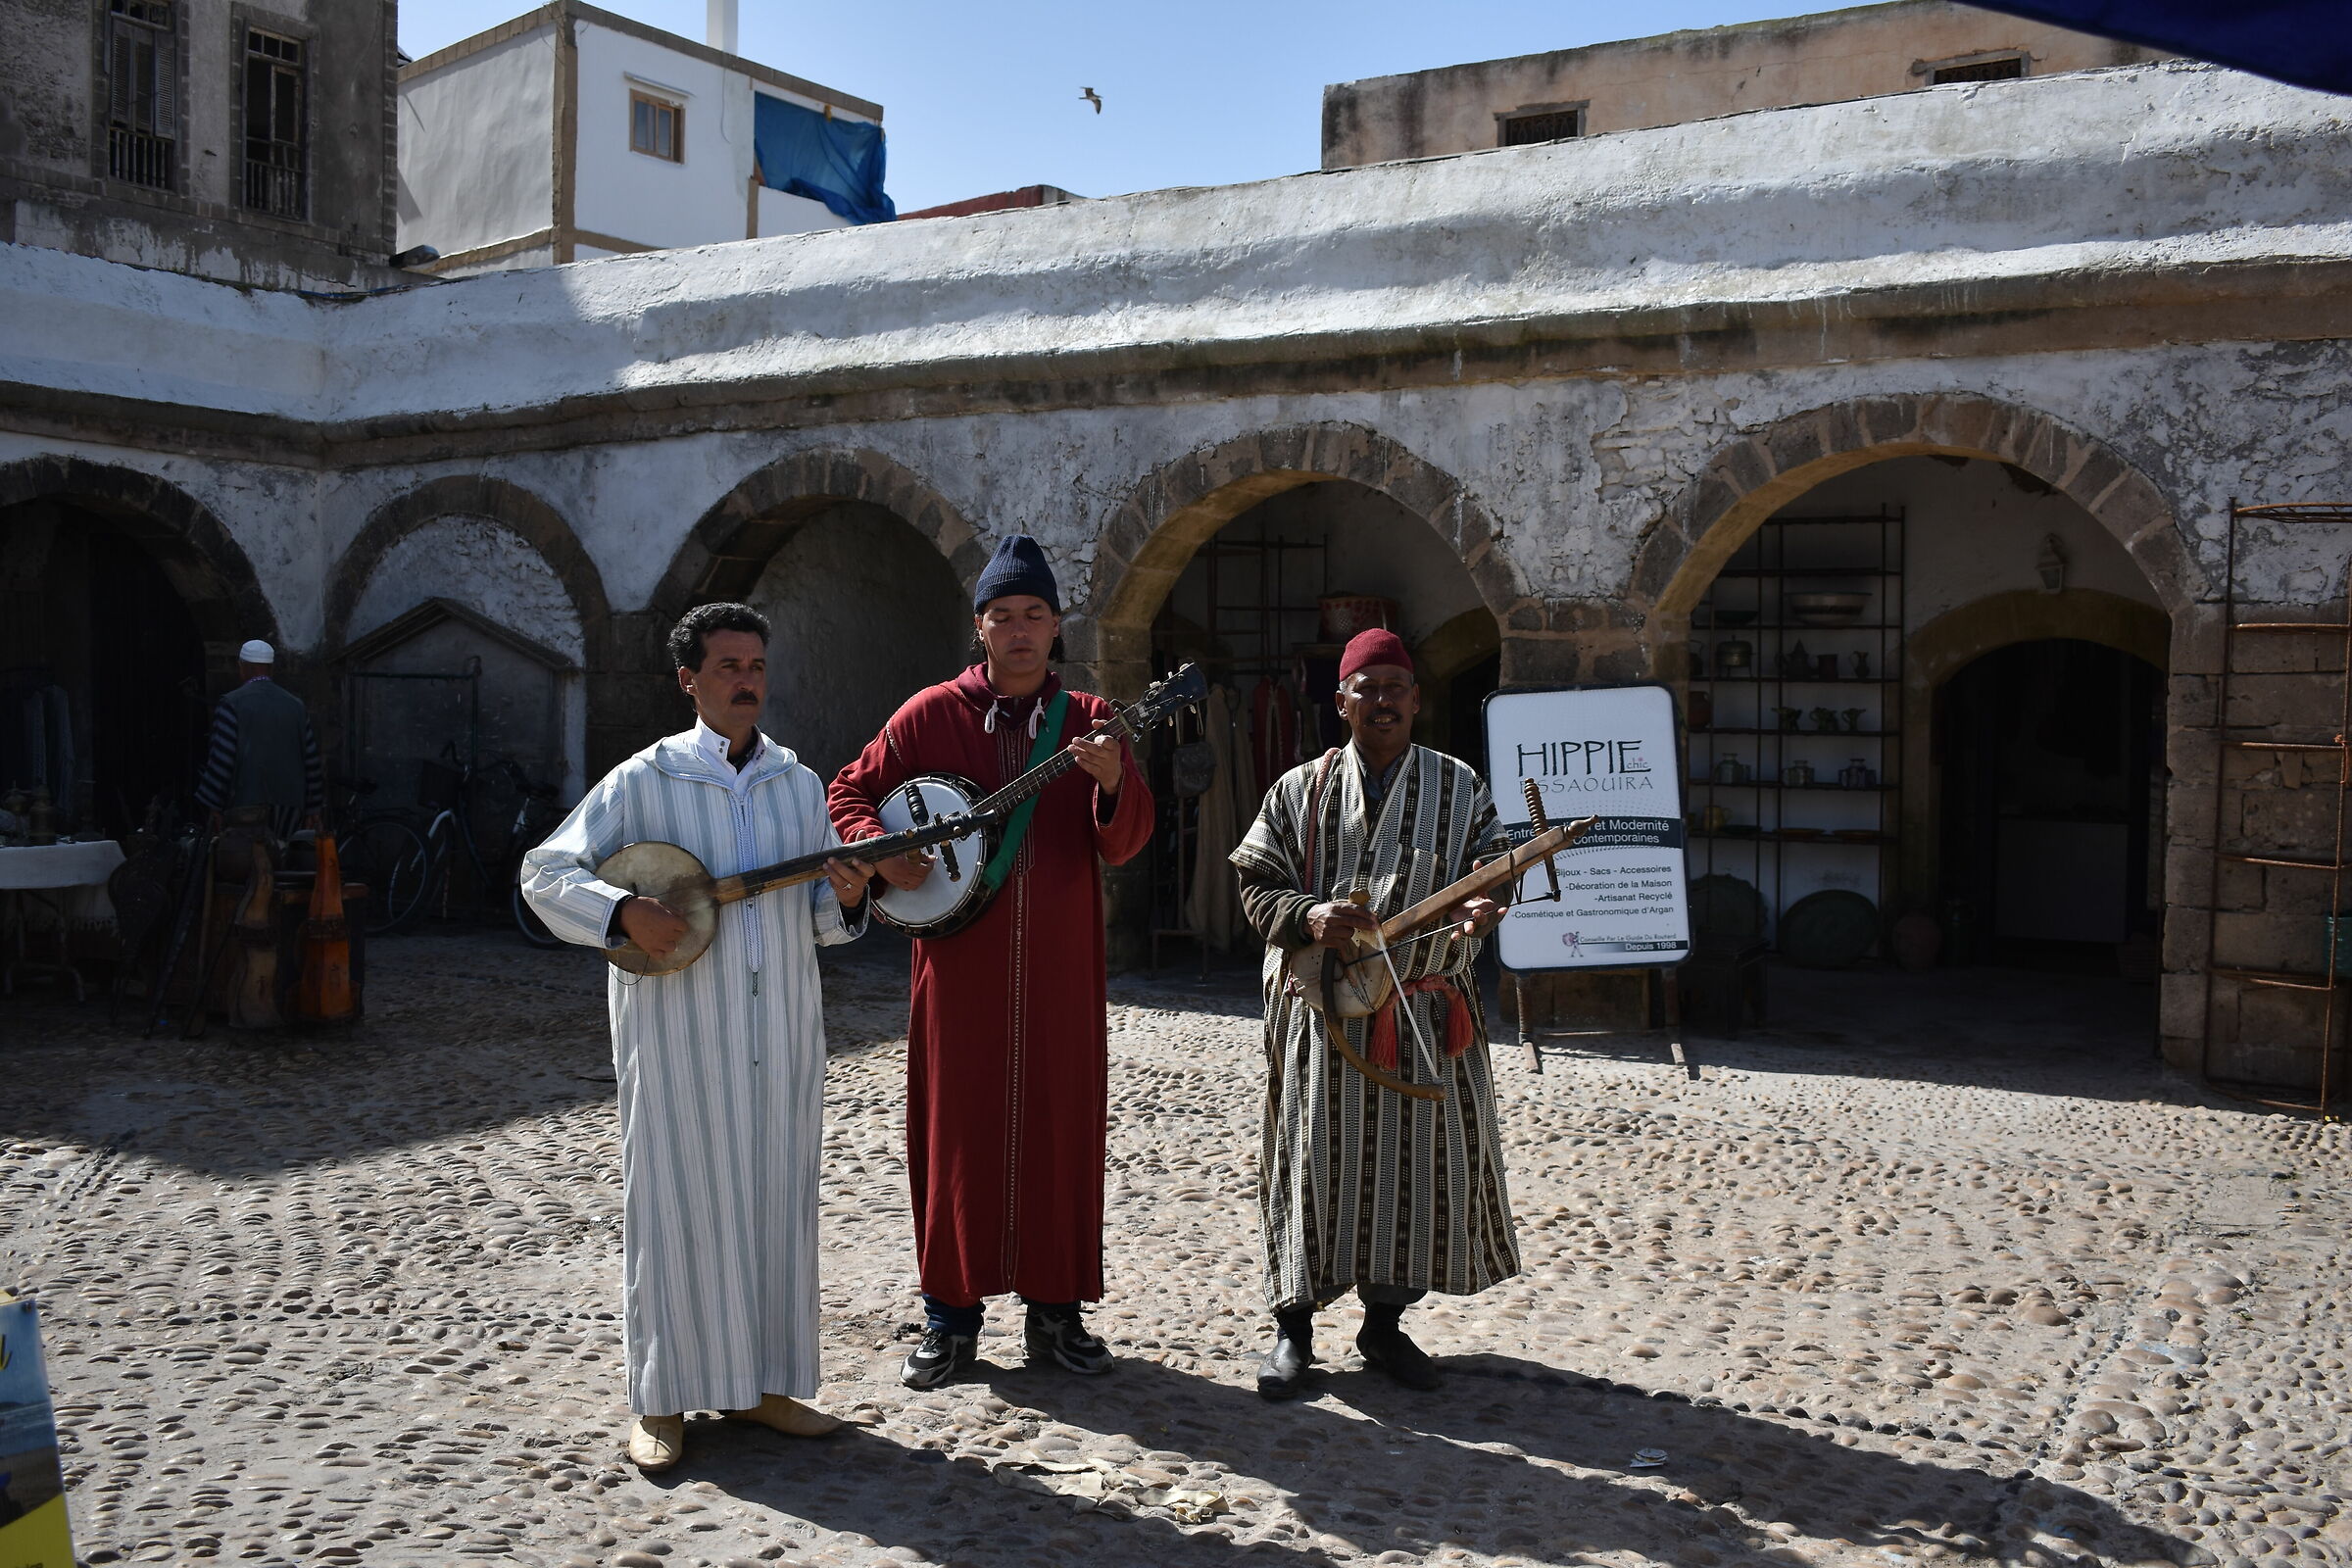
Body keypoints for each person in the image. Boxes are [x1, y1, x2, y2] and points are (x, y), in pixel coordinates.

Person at [520, 603, 877, 1472]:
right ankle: (663, 1398)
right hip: (679, 1034)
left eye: (755, 664)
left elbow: (821, 921)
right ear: (689, 680)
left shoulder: (796, 784)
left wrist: (854, 891)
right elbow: (544, 872)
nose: (746, 680)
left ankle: (760, 1385)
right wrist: (618, 912)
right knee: (677, 1208)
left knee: (771, 1202)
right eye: (726, 666)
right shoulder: (644, 781)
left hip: (783, 1030)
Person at [828, 535, 1153, 1389]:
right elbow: (849, 792)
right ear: (980, 627)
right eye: (1002, 616)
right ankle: (950, 1320)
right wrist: (881, 847)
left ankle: (1057, 1316)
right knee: (956, 1132)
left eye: (1034, 616)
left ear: (1056, 629)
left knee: (1059, 1127)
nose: (1018, 631)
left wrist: (1115, 780)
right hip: (958, 977)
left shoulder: (1090, 723)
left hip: (1059, 978)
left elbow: (1127, 840)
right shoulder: (928, 714)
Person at [1229, 627, 1521, 1400]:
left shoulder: (1460, 788)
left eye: (1397, 687)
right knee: (1310, 1164)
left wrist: (1487, 907)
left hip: (1422, 1019)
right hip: (1321, 1018)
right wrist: (1304, 913)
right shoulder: (1299, 790)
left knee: (1414, 1173)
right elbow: (1255, 883)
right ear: (1342, 702)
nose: (1383, 700)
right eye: (1368, 688)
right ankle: (1293, 1333)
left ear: (1417, 699)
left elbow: (1493, 876)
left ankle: (1384, 1327)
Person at [193, 639, 322, 836]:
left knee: (246, 862)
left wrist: (214, 805)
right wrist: (313, 807)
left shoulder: (232, 704)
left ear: (242, 667)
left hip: (245, 807)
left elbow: (222, 759)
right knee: (282, 859)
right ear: (271, 669)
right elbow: (311, 761)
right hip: (290, 807)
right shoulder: (296, 706)